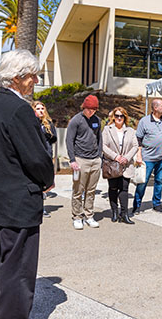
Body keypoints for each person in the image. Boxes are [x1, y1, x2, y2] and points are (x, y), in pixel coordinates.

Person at [0, 49, 54, 319]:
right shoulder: (20, 108)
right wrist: (48, 180)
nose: (35, 80)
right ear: (16, 78)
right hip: (19, 202)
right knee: (18, 269)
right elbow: (36, 158)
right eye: (31, 76)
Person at [66, 94, 102, 230]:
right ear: (84, 107)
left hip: (95, 160)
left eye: (94, 109)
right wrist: (72, 160)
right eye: (89, 109)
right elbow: (69, 140)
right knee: (78, 190)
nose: (91, 112)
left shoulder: (97, 120)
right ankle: (77, 216)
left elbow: (99, 138)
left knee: (91, 190)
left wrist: (99, 156)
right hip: (80, 160)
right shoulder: (76, 120)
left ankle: (89, 215)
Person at [133, 99, 162, 215]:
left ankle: (157, 204)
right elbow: (138, 139)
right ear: (155, 108)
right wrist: (139, 154)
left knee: (159, 181)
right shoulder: (144, 121)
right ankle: (137, 205)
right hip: (147, 158)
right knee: (142, 182)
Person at [102, 107, 138, 224]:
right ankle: (114, 212)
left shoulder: (130, 131)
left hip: (126, 165)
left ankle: (124, 213)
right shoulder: (107, 129)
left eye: (121, 116)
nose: (119, 118)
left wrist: (126, 158)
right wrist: (116, 157)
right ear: (113, 117)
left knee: (124, 188)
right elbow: (103, 146)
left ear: (124, 118)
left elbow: (135, 146)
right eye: (116, 115)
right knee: (113, 188)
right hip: (112, 164)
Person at [32, 100, 57, 218]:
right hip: (36, 157)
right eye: (38, 108)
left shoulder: (48, 124)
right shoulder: (32, 124)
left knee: (46, 184)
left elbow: (54, 138)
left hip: (47, 155)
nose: (41, 111)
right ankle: (36, 209)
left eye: (42, 108)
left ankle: (42, 208)